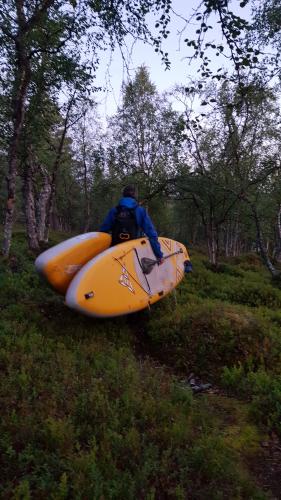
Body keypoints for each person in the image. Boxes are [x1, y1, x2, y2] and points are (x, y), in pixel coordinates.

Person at [99, 185, 164, 262]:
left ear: (123, 195)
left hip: (115, 251)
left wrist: (100, 253)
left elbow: (103, 231)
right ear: (134, 196)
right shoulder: (140, 211)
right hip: (133, 252)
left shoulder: (115, 210)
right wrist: (159, 255)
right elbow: (152, 235)